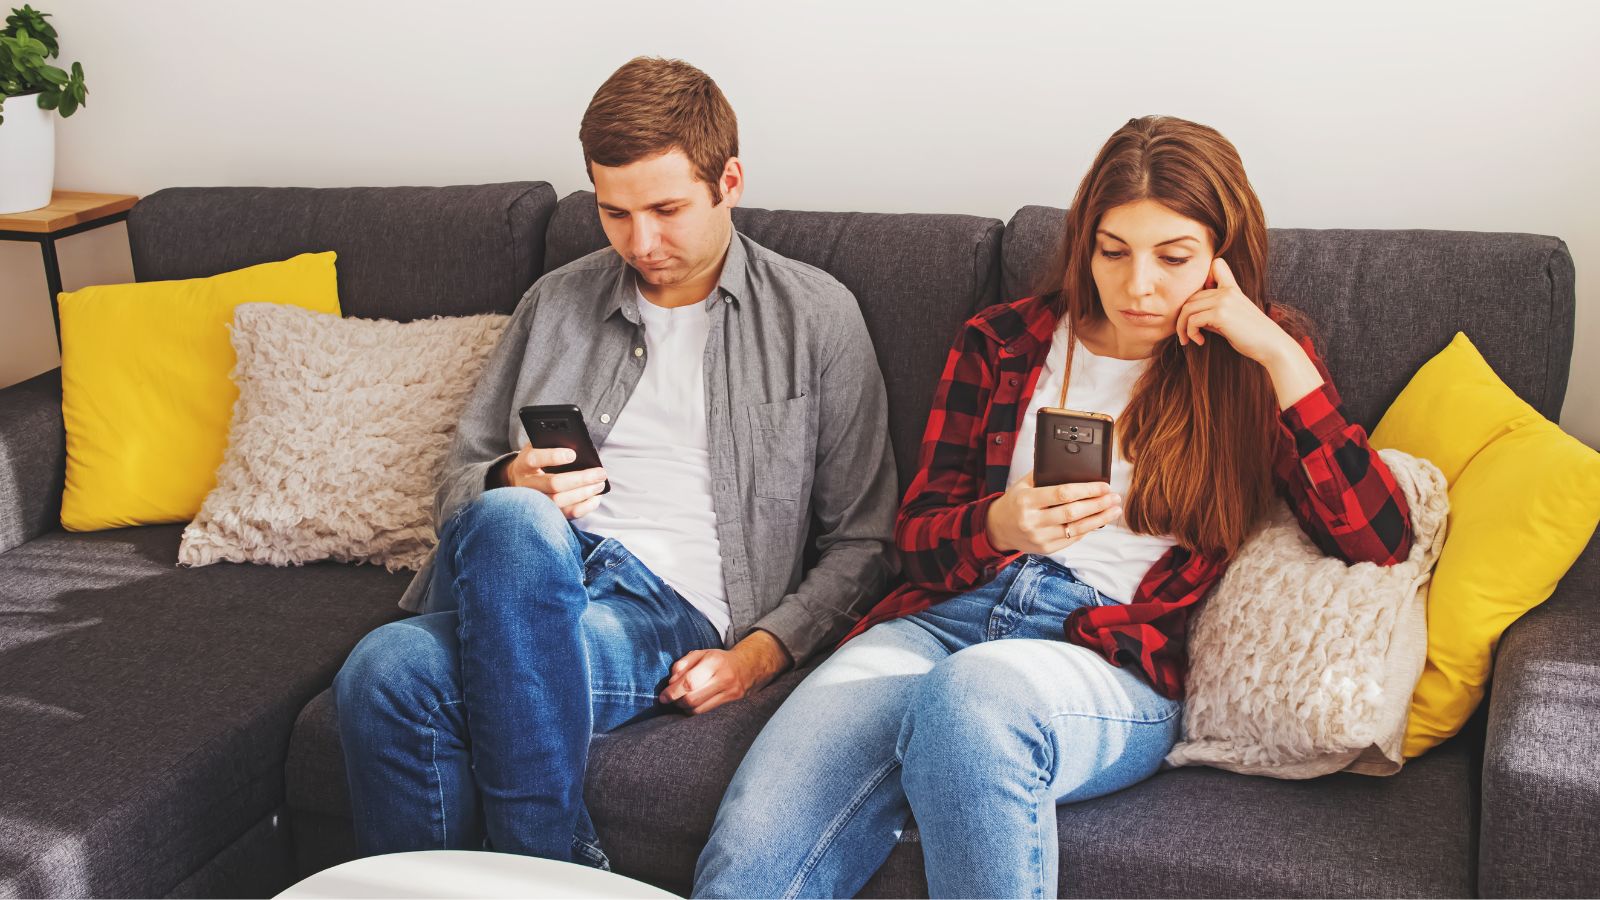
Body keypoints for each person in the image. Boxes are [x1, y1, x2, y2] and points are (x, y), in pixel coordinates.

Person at [694, 115, 1413, 899]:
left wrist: (1277, 353)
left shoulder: (1252, 365)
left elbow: (1377, 537)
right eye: (1113, 252)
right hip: (940, 622)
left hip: (1103, 653)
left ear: (1221, 256)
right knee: (752, 853)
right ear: (1085, 245)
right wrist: (998, 523)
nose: (1139, 285)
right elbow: (915, 540)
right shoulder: (1002, 342)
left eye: (1173, 258)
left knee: (974, 701)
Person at [331, 56, 898, 869]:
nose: (642, 242)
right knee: (510, 517)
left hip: (663, 609)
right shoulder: (556, 302)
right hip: (522, 569)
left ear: (728, 181)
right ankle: (551, 865)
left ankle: (520, 873)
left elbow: (865, 541)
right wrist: (506, 479)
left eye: (667, 210)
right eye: (614, 214)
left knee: (387, 672)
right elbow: (456, 484)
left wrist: (762, 652)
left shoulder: (815, 317)